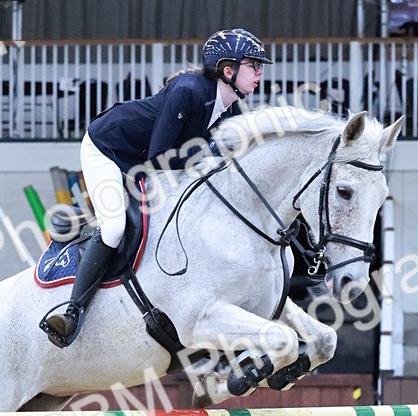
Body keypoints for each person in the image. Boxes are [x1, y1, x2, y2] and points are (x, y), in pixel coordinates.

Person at [40, 28, 271, 347]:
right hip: (108, 148)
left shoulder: (229, 108)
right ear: (228, 70)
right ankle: (72, 313)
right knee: (114, 228)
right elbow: (161, 156)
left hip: (142, 161)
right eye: (253, 65)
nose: (260, 72)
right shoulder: (188, 90)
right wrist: (212, 151)